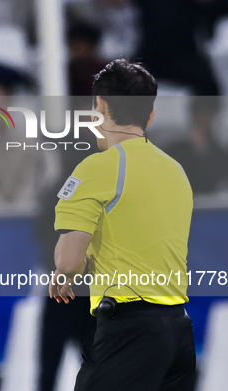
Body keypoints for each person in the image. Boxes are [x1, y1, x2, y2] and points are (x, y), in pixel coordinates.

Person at [50, 59, 195, 390]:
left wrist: (64, 272)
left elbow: (69, 260)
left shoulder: (98, 168)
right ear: (151, 114)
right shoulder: (176, 171)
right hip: (178, 329)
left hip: (129, 330)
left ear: (99, 107)